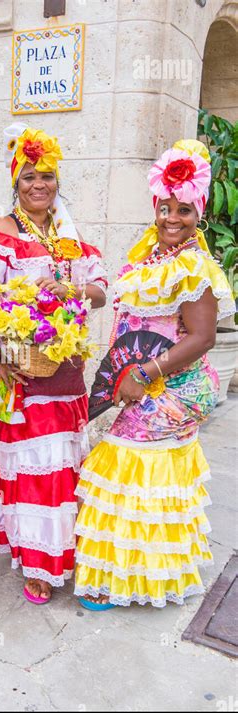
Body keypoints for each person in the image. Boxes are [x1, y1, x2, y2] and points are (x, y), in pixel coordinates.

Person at [74, 139, 235, 610]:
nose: (171, 218)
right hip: (150, 379)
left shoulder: (192, 264)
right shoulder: (152, 258)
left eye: (184, 210)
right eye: (165, 207)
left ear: (198, 213)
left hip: (177, 386)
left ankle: (126, 577)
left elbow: (202, 338)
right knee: (136, 467)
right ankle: (139, 572)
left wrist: (141, 373)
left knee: (124, 460)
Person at [0, 124, 108, 603]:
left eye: (46, 175)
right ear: (15, 182)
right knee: (33, 471)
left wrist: (73, 290)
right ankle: (38, 564)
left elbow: (101, 292)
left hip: (66, 373)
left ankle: (60, 549)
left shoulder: (69, 235)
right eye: (28, 177)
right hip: (22, 374)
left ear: (58, 182)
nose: (38, 184)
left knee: (65, 467)